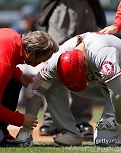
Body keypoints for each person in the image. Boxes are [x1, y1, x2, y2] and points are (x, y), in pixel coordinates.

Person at [17, 32, 121, 147]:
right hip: (100, 84)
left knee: (104, 141)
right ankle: (70, 133)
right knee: (49, 83)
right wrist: (26, 130)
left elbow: (117, 92)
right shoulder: (58, 57)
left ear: (85, 63)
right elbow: (35, 89)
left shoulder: (102, 53)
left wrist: (117, 120)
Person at [37, 0, 106, 140]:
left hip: (88, 6)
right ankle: (51, 120)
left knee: (86, 60)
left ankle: (81, 120)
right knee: (54, 59)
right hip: (61, 5)